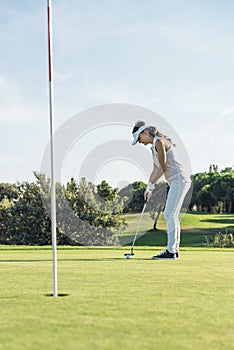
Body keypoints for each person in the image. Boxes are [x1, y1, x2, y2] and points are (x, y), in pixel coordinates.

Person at [132, 121, 191, 260]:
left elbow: (162, 168)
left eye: (139, 138)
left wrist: (151, 185)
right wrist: (149, 187)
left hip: (179, 180)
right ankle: (173, 250)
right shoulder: (153, 147)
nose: (139, 142)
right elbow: (155, 169)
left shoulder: (159, 142)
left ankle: (171, 251)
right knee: (172, 215)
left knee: (169, 213)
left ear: (145, 133)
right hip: (175, 182)